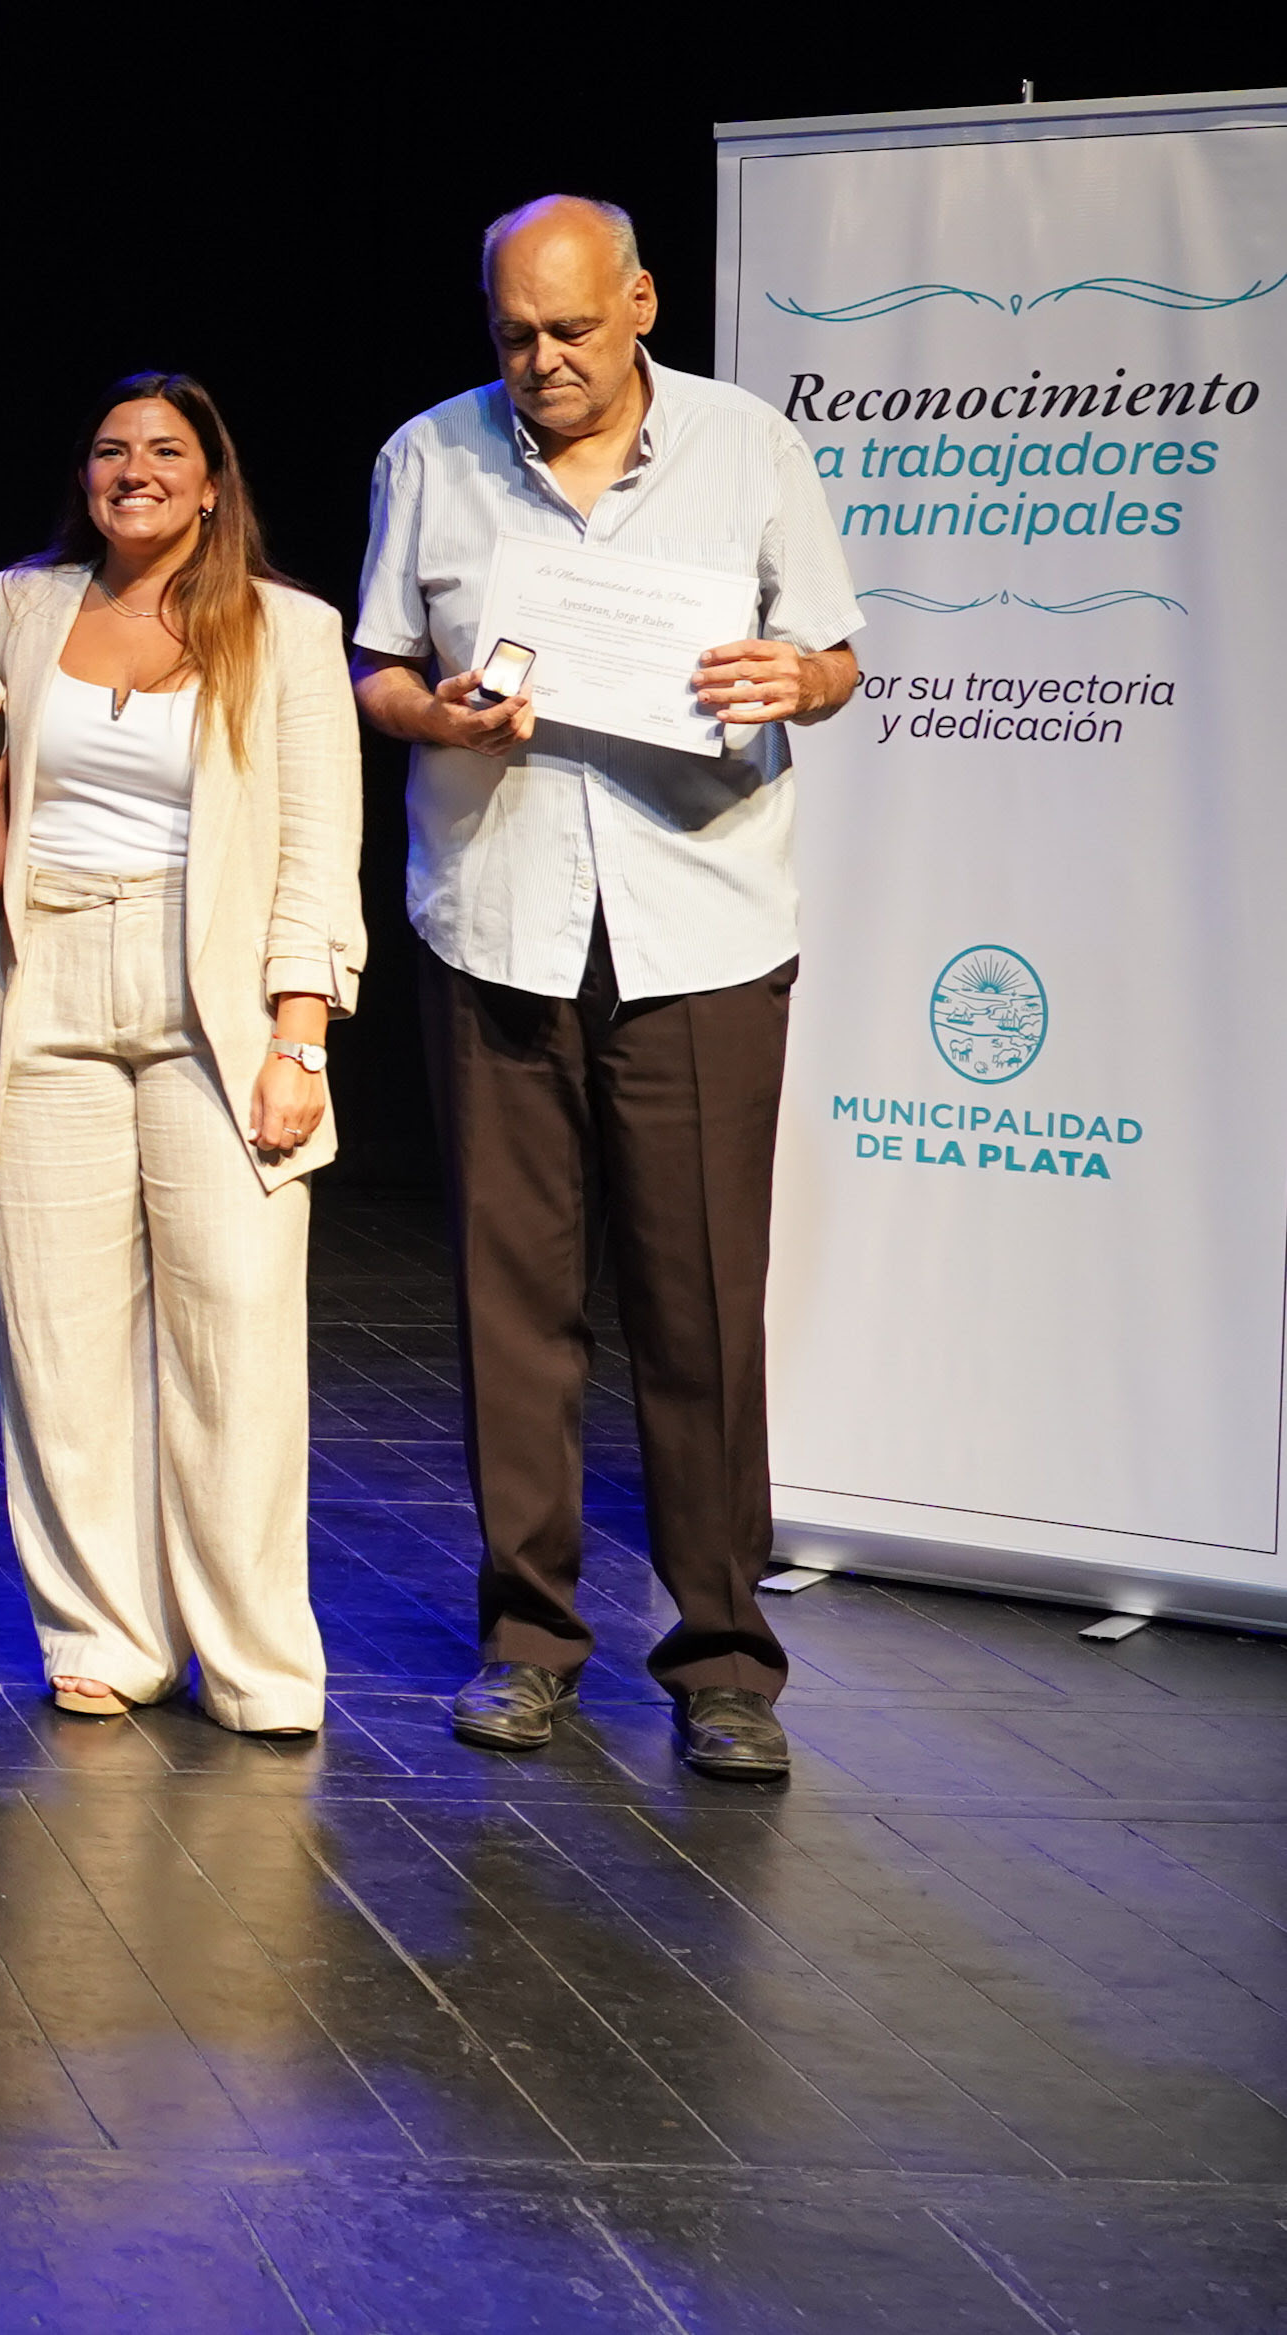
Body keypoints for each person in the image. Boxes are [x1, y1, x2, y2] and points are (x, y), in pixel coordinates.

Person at [354, 195, 861, 1783]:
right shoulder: (427, 453)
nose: (541, 360)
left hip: (696, 925)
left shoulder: (746, 444)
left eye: (570, 329)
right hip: (500, 917)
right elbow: (375, 666)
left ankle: (721, 1658)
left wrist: (800, 679)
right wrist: (433, 713)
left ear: (639, 304)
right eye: (513, 331)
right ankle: (526, 1638)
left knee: (699, 1304)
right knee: (515, 1307)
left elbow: (832, 656)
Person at [0, 374, 360, 1736]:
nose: (133, 469)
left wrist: (301, 1030)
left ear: (210, 479)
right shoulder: (19, 606)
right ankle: (104, 1632)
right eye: (110, 447)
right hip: (48, 976)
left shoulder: (286, 626)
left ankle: (252, 1657)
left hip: (215, 997)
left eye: (163, 450)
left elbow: (315, 842)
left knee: (231, 1330)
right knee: (56, 1340)